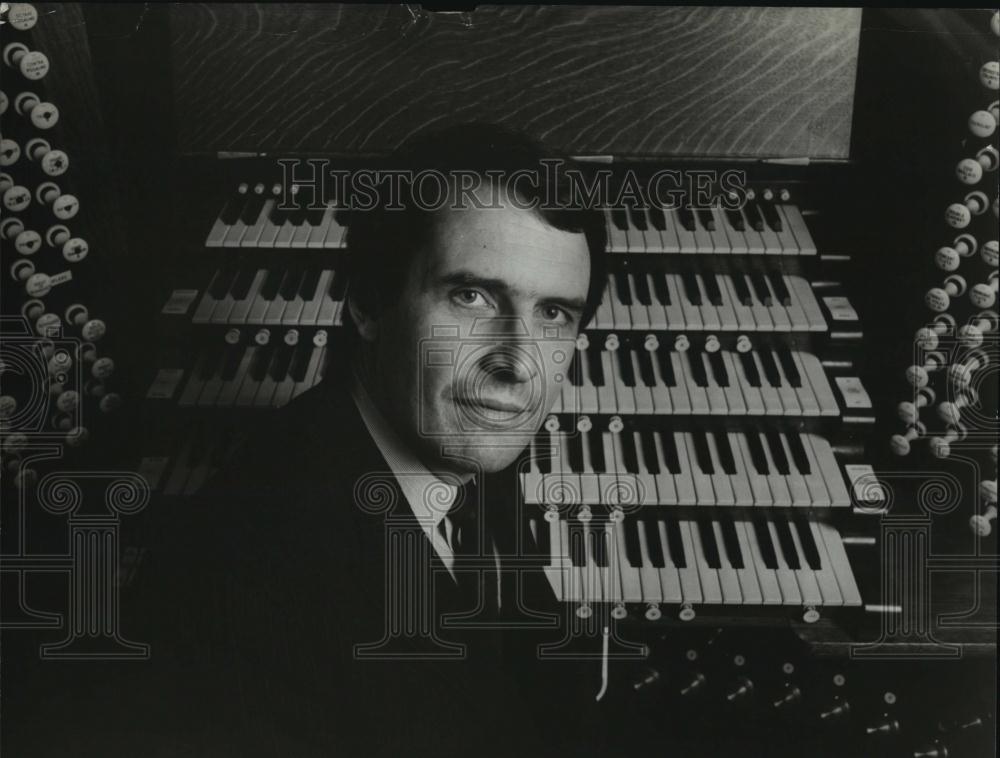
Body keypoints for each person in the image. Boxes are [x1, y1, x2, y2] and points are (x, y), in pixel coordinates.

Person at [87, 123, 611, 757]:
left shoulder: (454, 431)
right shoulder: (241, 605)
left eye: (554, 312)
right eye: (471, 296)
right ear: (367, 302)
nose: (518, 364)